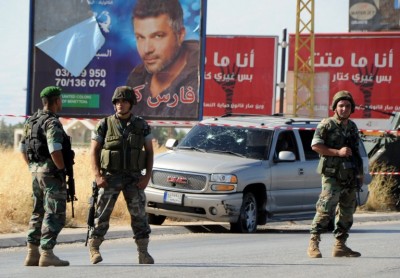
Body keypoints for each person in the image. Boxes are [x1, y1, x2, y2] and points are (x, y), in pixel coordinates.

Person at [88, 86, 155, 265]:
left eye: (124, 101)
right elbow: (94, 150)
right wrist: (97, 175)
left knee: (139, 216)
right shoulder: (104, 124)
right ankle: (94, 248)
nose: (120, 105)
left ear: (131, 104)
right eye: (117, 101)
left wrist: (147, 176)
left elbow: (149, 152)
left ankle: (143, 252)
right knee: (101, 215)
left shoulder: (142, 125)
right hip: (110, 177)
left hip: (133, 178)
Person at [307, 90, 364, 258]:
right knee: (325, 209)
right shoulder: (326, 124)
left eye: (347, 106)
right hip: (332, 175)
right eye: (341, 106)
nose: (344, 109)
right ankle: (313, 243)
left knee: (347, 211)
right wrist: (337, 152)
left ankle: (340, 245)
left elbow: (355, 152)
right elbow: (316, 146)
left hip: (349, 175)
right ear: (335, 107)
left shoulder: (352, 127)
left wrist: (359, 175)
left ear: (351, 108)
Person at [19, 86, 72, 267]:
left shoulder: (31, 121)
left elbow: (23, 149)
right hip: (50, 173)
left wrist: (34, 167)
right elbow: (54, 149)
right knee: (54, 212)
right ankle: (47, 253)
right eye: (60, 100)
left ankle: (32, 253)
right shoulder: (52, 122)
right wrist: (61, 169)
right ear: (57, 101)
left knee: (38, 211)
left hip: (35, 171)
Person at [126, 0, 200, 119]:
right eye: (140, 37)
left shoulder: (201, 76)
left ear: (180, 35)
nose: (146, 49)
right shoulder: (136, 79)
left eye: (158, 36)